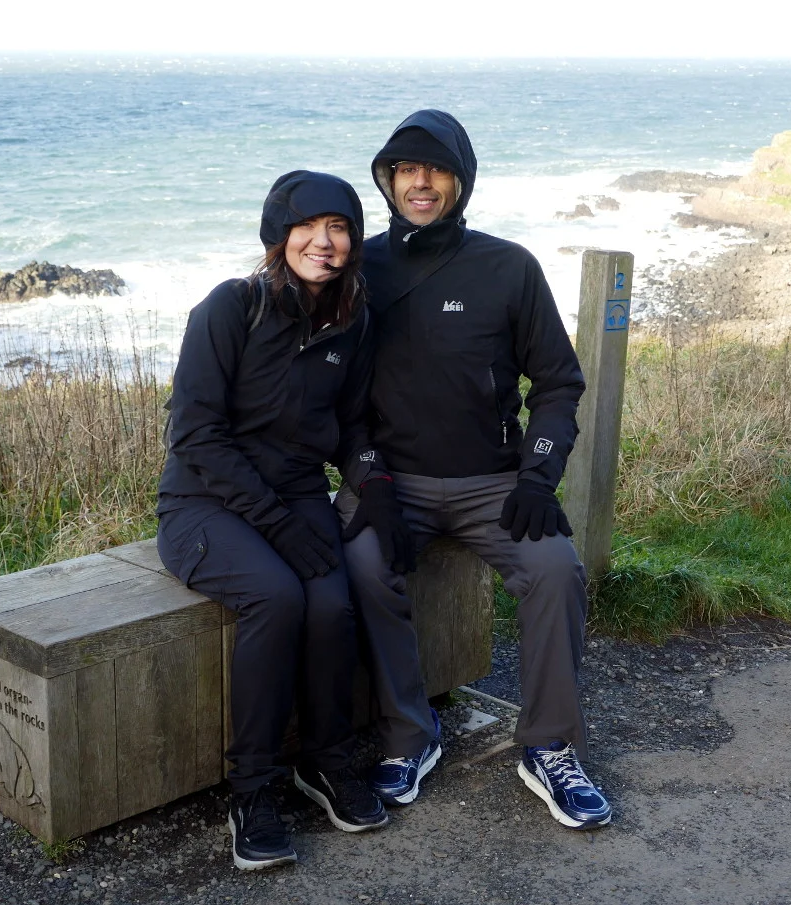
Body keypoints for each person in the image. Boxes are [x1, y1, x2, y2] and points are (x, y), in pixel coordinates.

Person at [336, 110, 613, 829]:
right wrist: (367, 477)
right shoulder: (359, 270)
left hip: (494, 482)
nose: (419, 182)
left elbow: (557, 382)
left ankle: (549, 744)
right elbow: (335, 393)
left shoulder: (508, 267)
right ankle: (409, 733)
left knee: (556, 569)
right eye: (404, 169)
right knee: (362, 564)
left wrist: (535, 476)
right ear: (387, 180)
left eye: (435, 169)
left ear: (461, 181)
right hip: (392, 481)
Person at [156, 170, 398, 871]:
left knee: (330, 605)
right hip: (202, 501)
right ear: (279, 234)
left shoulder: (353, 320)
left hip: (295, 496)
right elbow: (196, 437)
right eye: (310, 226)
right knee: (277, 594)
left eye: (342, 228)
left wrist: (372, 482)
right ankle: (252, 789)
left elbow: (352, 424)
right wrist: (275, 523)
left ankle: (324, 761)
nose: (325, 242)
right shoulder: (229, 309)